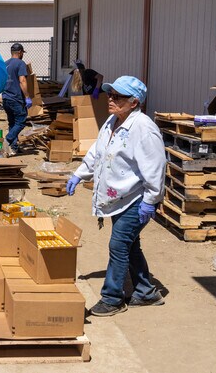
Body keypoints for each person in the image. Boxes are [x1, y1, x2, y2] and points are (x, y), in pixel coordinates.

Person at [66, 76, 166, 317]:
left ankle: (112, 298)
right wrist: (79, 174)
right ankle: (145, 291)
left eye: (118, 96)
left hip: (136, 199)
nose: (111, 99)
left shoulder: (143, 128)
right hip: (117, 197)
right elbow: (97, 153)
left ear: (134, 102)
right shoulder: (112, 121)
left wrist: (151, 200)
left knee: (119, 244)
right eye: (110, 94)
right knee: (130, 246)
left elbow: (156, 166)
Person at [2, 43, 31, 156]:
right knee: (21, 121)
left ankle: (13, 148)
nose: (23, 54)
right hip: (16, 98)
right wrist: (27, 97)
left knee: (12, 122)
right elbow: (22, 80)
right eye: (22, 52)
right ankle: (8, 139)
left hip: (6, 97)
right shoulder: (20, 63)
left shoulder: (5, 64)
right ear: (20, 52)